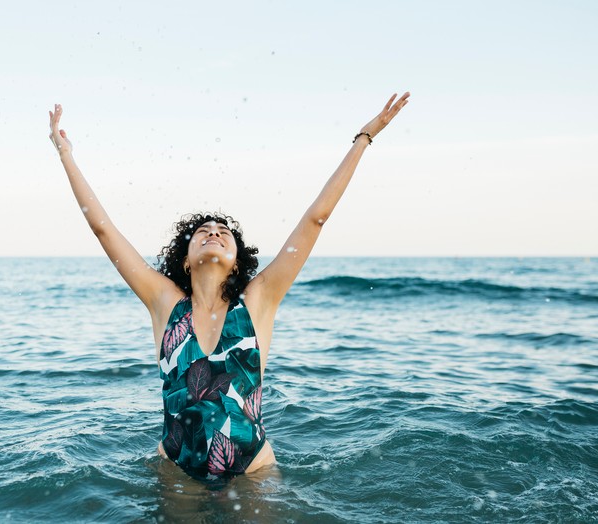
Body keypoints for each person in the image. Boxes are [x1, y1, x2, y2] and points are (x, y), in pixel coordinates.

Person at [48, 92, 410, 479]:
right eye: (202, 231)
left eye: (223, 232)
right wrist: (65, 153)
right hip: (177, 469)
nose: (214, 233)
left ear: (237, 258)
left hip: (253, 468)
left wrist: (363, 138)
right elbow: (102, 229)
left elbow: (315, 220)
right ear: (184, 259)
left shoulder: (258, 300)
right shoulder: (164, 302)